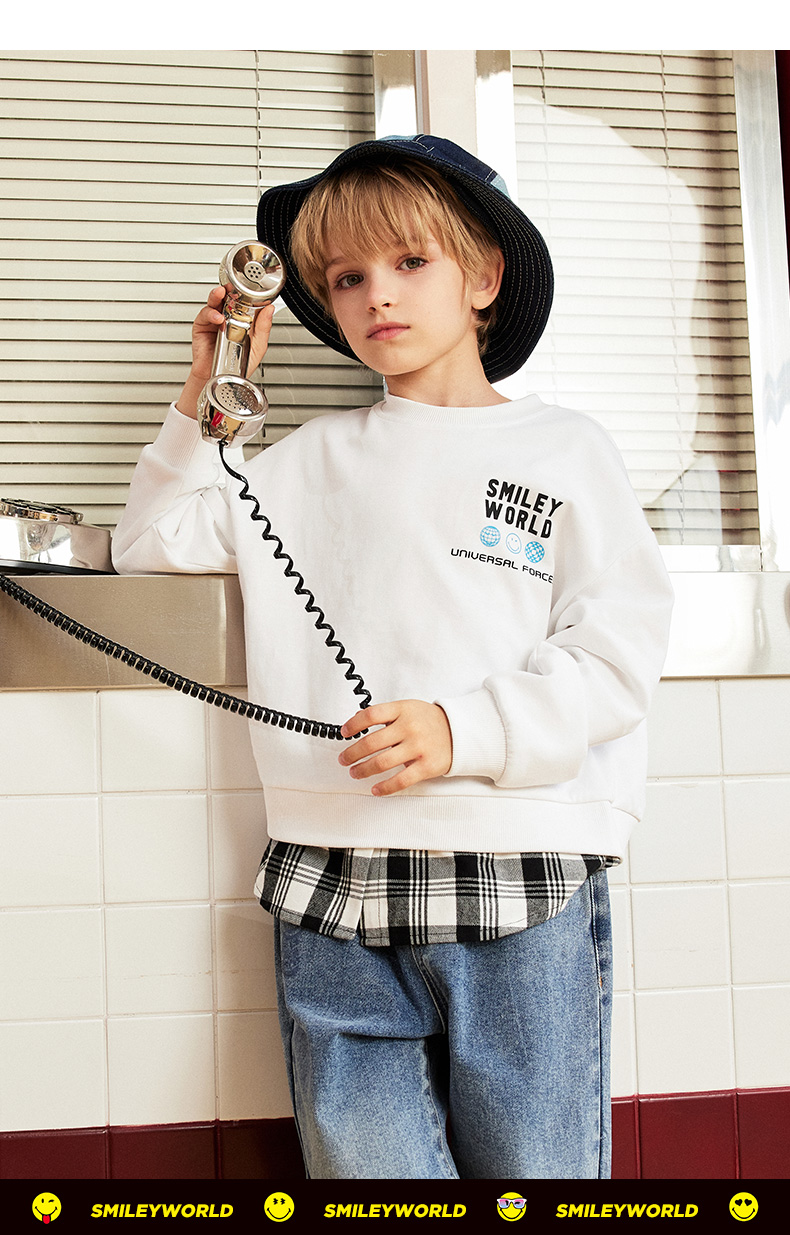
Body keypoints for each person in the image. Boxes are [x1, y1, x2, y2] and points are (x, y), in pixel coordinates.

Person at [112, 134, 674, 1180]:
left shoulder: (566, 450)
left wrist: (465, 729)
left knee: (537, 1171)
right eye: (346, 277)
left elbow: (615, 654)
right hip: (331, 876)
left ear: (484, 277)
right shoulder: (308, 462)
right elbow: (151, 543)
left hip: (519, 868)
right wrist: (208, 390)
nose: (377, 293)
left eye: (411, 261)